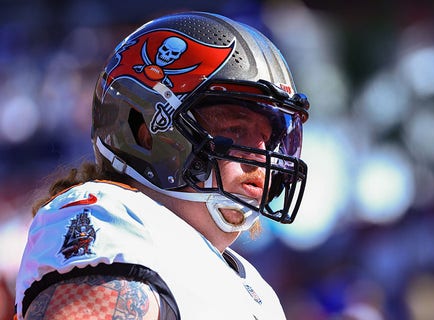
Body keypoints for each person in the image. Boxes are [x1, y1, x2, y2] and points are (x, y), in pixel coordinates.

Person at [14, 11, 310, 319]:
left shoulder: (254, 287)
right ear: (145, 132)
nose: (262, 156)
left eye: (268, 139)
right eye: (237, 130)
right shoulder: (116, 222)